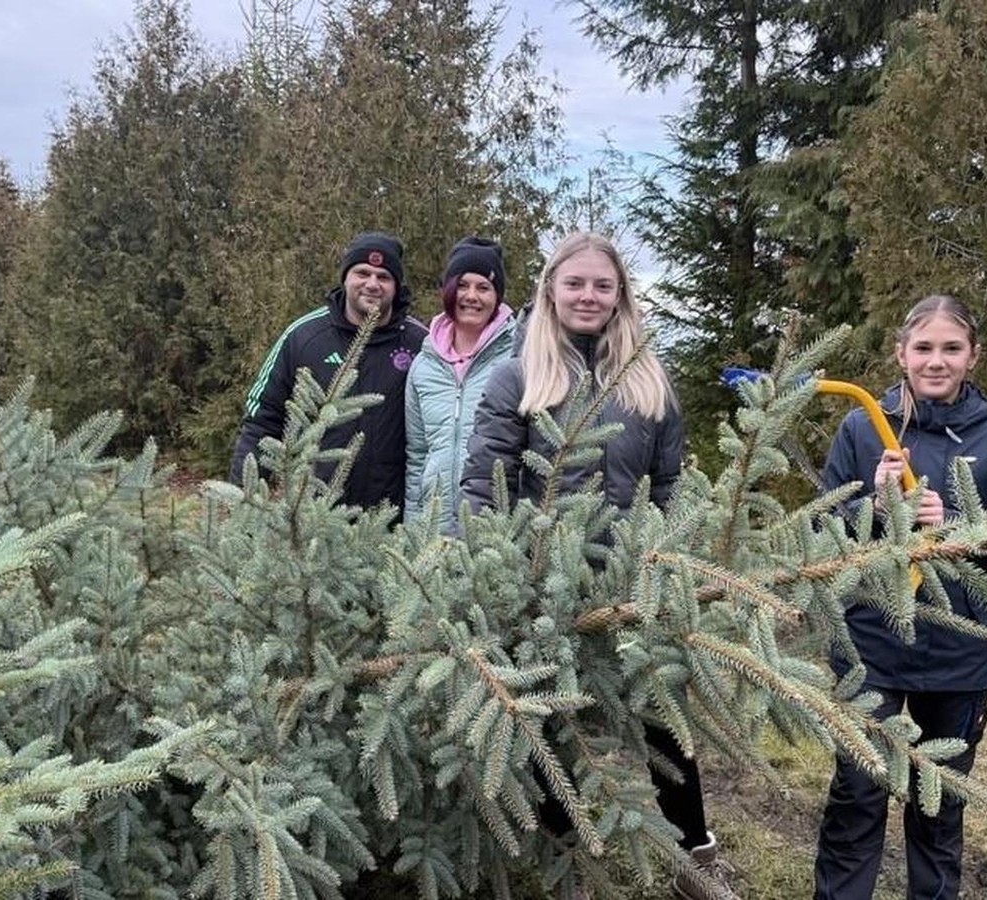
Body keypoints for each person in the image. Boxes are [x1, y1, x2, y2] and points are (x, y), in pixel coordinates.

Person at [459, 231, 725, 900]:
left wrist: (663, 563)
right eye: (575, 283)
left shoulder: (649, 380)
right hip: (542, 589)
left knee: (662, 714)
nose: (588, 295)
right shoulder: (518, 375)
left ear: (620, 296)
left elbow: (667, 489)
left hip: (631, 586)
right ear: (550, 289)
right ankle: (575, 865)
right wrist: (499, 571)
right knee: (561, 725)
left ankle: (695, 855)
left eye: (602, 285)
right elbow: (484, 487)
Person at [813, 295, 987, 900]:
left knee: (938, 805)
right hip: (870, 643)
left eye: (951, 349)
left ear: (972, 357)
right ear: (901, 353)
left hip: (957, 653)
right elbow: (820, 527)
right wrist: (875, 507)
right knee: (857, 793)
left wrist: (960, 524)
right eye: (923, 348)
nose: (936, 361)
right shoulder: (863, 427)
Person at [229, 231, 427, 514]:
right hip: (316, 519)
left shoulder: (421, 343)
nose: (372, 284)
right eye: (362, 272)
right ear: (345, 277)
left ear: (396, 286)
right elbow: (261, 424)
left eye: (383, 276)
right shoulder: (303, 336)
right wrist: (244, 507)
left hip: (394, 520)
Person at [404, 236, 518, 532]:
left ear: (498, 296)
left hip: (495, 529)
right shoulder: (423, 365)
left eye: (484, 287)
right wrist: (414, 528)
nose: (472, 296)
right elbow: (417, 455)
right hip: (433, 528)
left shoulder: (519, 357)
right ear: (448, 290)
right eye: (463, 285)